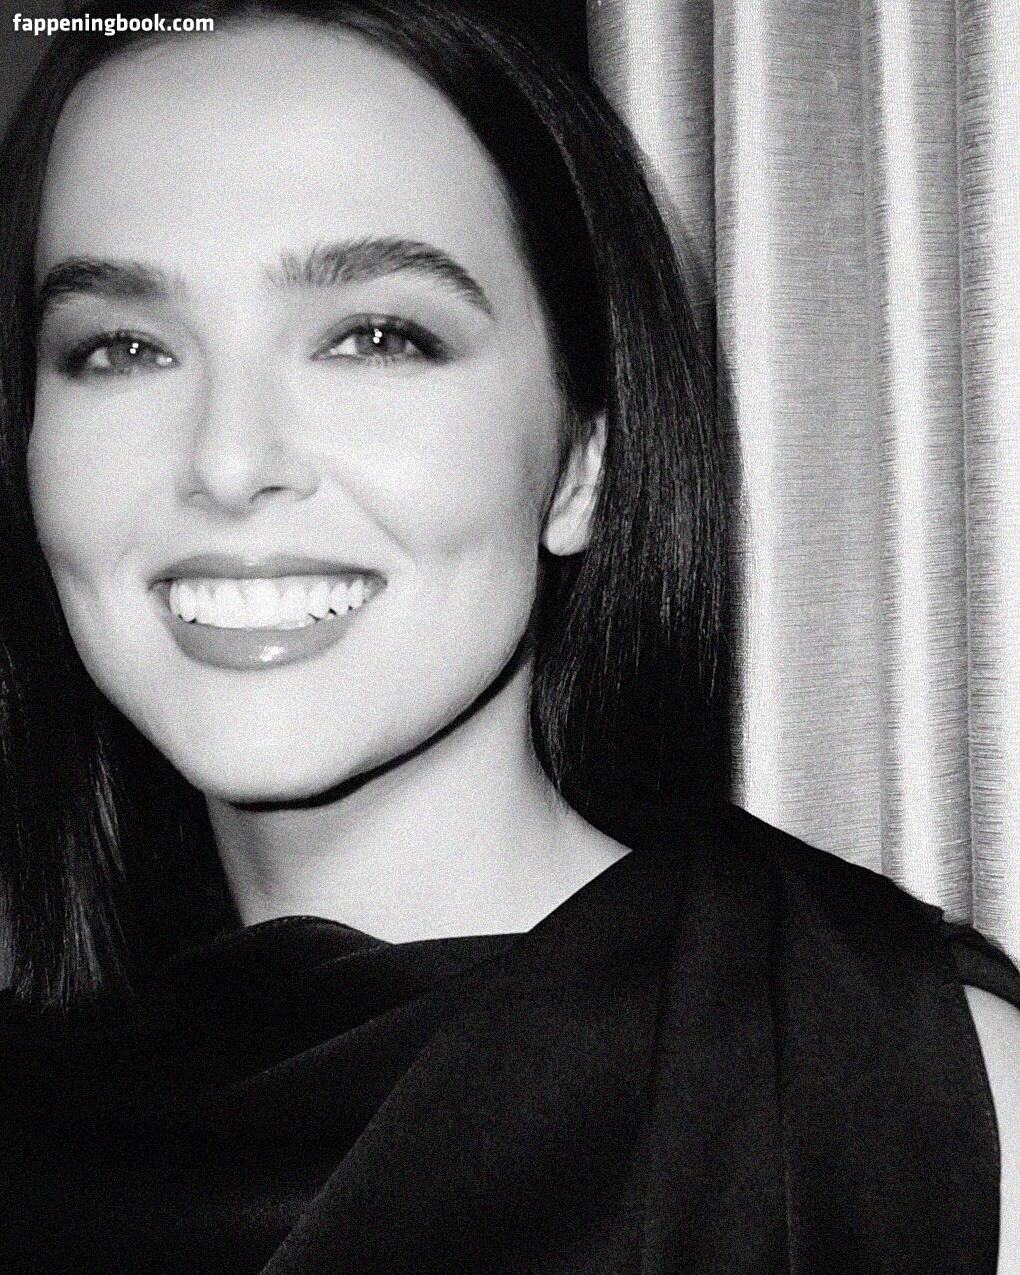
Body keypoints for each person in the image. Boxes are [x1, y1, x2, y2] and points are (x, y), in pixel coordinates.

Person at [0, 0, 1017, 1270]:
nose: (226, 460)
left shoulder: (919, 1101)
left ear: (582, 459)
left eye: (376, 338)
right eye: (122, 348)